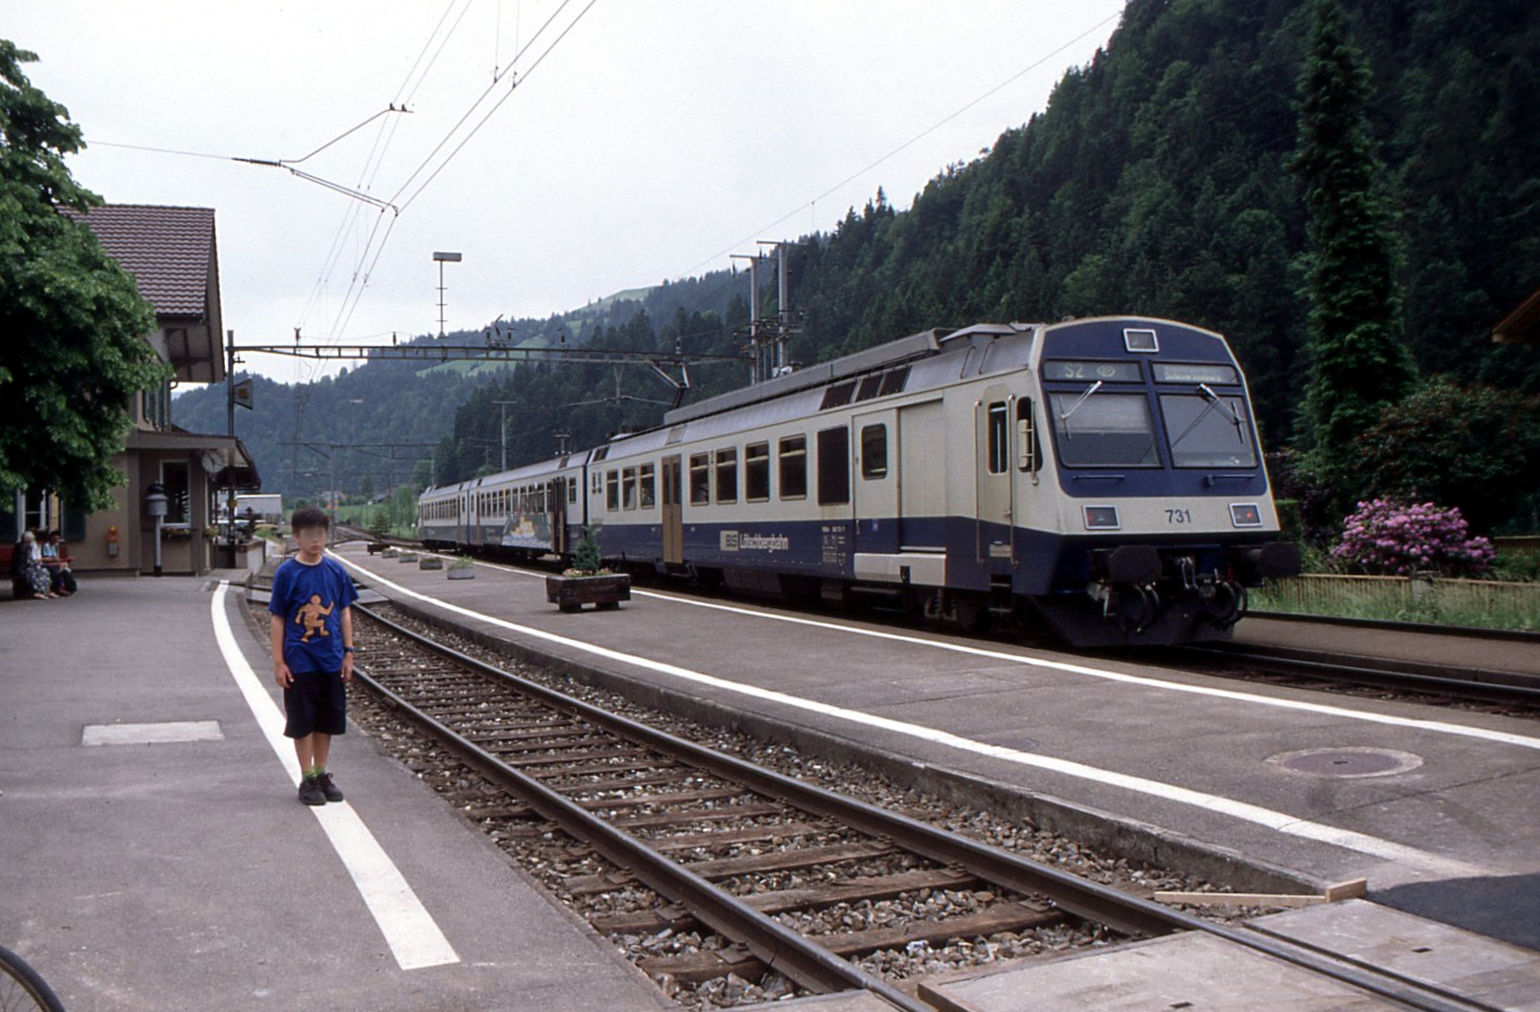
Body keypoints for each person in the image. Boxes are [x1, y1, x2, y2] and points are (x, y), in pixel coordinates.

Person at [268, 507, 358, 805]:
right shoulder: (287, 574)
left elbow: (344, 613)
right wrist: (279, 661)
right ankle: (306, 777)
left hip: (330, 659)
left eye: (320, 534)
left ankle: (321, 772)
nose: (316, 541)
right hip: (300, 661)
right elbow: (278, 619)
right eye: (309, 535)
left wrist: (348, 653)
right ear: (296, 537)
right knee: (303, 720)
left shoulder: (335, 571)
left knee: (326, 720)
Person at [16, 531, 55, 599]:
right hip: (28, 567)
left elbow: (38, 558)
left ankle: (45, 591)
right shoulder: (31, 546)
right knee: (41, 573)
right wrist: (44, 559)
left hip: (35, 566)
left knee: (46, 572)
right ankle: (38, 592)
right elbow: (32, 560)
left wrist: (42, 560)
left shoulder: (38, 546)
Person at [40, 530, 74, 595]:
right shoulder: (46, 546)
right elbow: (47, 558)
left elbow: (56, 558)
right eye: (55, 538)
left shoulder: (55, 546)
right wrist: (60, 560)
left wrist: (63, 560)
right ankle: (59, 587)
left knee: (64, 565)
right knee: (60, 566)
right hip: (46, 563)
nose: (56, 540)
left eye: (58, 538)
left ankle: (65, 585)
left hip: (53, 562)